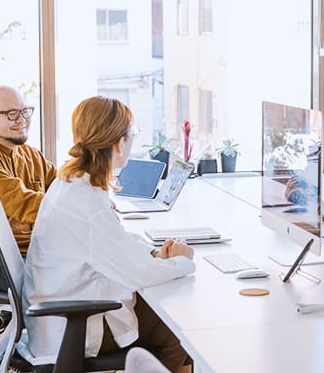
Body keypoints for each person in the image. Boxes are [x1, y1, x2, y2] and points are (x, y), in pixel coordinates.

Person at [23, 96, 195, 372]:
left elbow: (114, 244)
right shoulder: (87, 203)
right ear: (118, 142)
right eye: (132, 134)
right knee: (182, 327)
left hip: (56, 316)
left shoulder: (71, 182)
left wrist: (153, 253)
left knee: (169, 312)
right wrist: (183, 261)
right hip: (74, 326)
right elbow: (137, 273)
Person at [0, 85, 56, 291]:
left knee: (97, 268)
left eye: (25, 112)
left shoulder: (31, 155)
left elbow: (63, 187)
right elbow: (22, 203)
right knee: (61, 283)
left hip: (30, 252)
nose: (22, 120)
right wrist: (79, 209)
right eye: (11, 114)